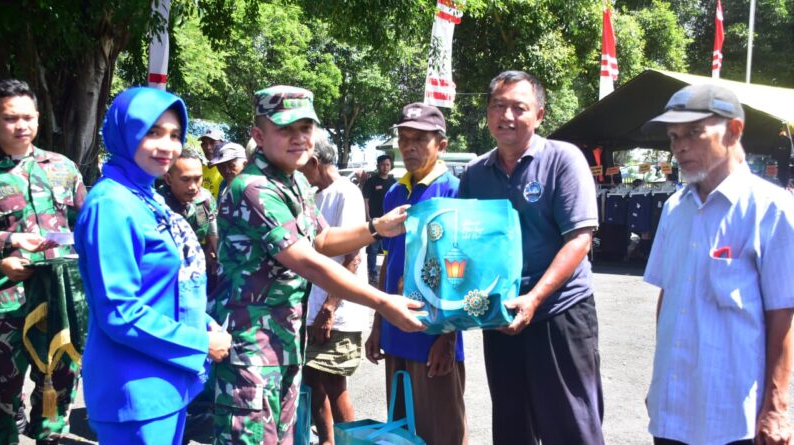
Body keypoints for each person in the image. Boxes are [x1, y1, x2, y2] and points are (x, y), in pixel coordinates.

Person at [211, 85, 424, 445]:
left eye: (305, 128)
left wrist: (377, 227)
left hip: (285, 343)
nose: (299, 139)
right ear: (259, 136)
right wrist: (383, 302)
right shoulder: (254, 189)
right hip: (252, 350)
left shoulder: (293, 181)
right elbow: (309, 262)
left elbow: (322, 240)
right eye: (285, 129)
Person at [74, 87, 232, 444]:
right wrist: (199, 343)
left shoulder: (147, 197)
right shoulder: (111, 205)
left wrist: (206, 324)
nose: (167, 146)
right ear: (124, 132)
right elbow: (119, 312)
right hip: (134, 389)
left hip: (167, 382)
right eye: (152, 132)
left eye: (175, 135)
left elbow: (169, 286)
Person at [640, 84, 794, 445]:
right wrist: (659, 381)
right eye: (674, 136)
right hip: (673, 413)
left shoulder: (771, 210)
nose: (680, 146)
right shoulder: (675, 210)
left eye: (694, 132)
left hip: (734, 418)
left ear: (734, 130)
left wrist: (779, 405)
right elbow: (670, 298)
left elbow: (785, 313)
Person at [458, 70, 603, 444]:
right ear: (487, 114)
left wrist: (535, 298)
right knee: (511, 425)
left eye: (518, 108)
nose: (507, 116)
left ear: (539, 115)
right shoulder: (476, 173)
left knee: (571, 423)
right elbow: (463, 245)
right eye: (498, 106)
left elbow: (579, 240)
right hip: (501, 314)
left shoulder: (562, 160)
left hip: (559, 311)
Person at [365, 102, 467, 445]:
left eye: (419, 139)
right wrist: (378, 324)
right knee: (402, 431)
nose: (408, 146)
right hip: (396, 331)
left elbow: (463, 271)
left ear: (442, 145)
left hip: (433, 334)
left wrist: (448, 337)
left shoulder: (455, 191)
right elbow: (388, 261)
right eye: (403, 138)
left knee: (444, 431)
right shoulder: (394, 192)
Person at [0, 79, 85, 445]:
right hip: (5, 299)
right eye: (10, 118)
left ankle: (49, 438)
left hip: (59, 298)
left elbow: (87, 224)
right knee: (2, 391)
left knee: (59, 383)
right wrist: (8, 245)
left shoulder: (61, 167)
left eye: (28, 117)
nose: (22, 126)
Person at [298, 129, 369, 445]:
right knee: (312, 381)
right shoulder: (314, 196)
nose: (299, 172)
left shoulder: (346, 193)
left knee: (333, 382)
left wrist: (329, 307)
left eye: (302, 165)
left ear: (314, 161)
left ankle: (346, 441)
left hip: (338, 310)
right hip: (315, 307)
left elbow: (353, 256)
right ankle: (327, 440)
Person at [159, 148, 219, 284]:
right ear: (168, 179)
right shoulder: (157, 205)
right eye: (185, 180)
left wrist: (217, 257)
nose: (193, 187)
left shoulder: (205, 199)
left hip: (199, 268)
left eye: (197, 179)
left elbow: (214, 233)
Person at [362, 154, 396, 284]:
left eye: (388, 164)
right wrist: (368, 216)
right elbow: (366, 200)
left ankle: (388, 273)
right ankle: (372, 273)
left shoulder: (394, 183)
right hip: (375, 221)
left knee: (389, 248)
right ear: (378, 166)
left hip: (390, 221)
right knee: (373, 249)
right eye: (383, 164)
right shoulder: (371, 182)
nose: (385, 167)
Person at [198, 128, 225, 198]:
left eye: (212, 143)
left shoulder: (228, 169)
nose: (208, 147)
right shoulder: (200, 170)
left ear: (222, 144)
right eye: (204, 144)